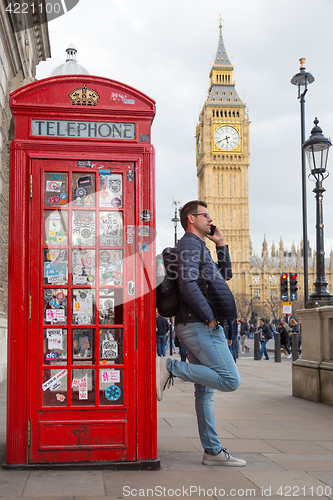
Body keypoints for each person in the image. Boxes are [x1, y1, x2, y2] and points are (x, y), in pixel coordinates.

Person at [156, 200, 246, 467]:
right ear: (191, 219)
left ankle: (212, 451)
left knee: (204, 392)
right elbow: (187, 284)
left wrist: (220, 245)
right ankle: (168, 366)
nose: (210, 219)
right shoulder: (190, 244)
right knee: (230, 380)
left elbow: (224, 276)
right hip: (198, 324)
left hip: (196, 323)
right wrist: (209, 318)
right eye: (205, 215)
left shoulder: (199, 245)